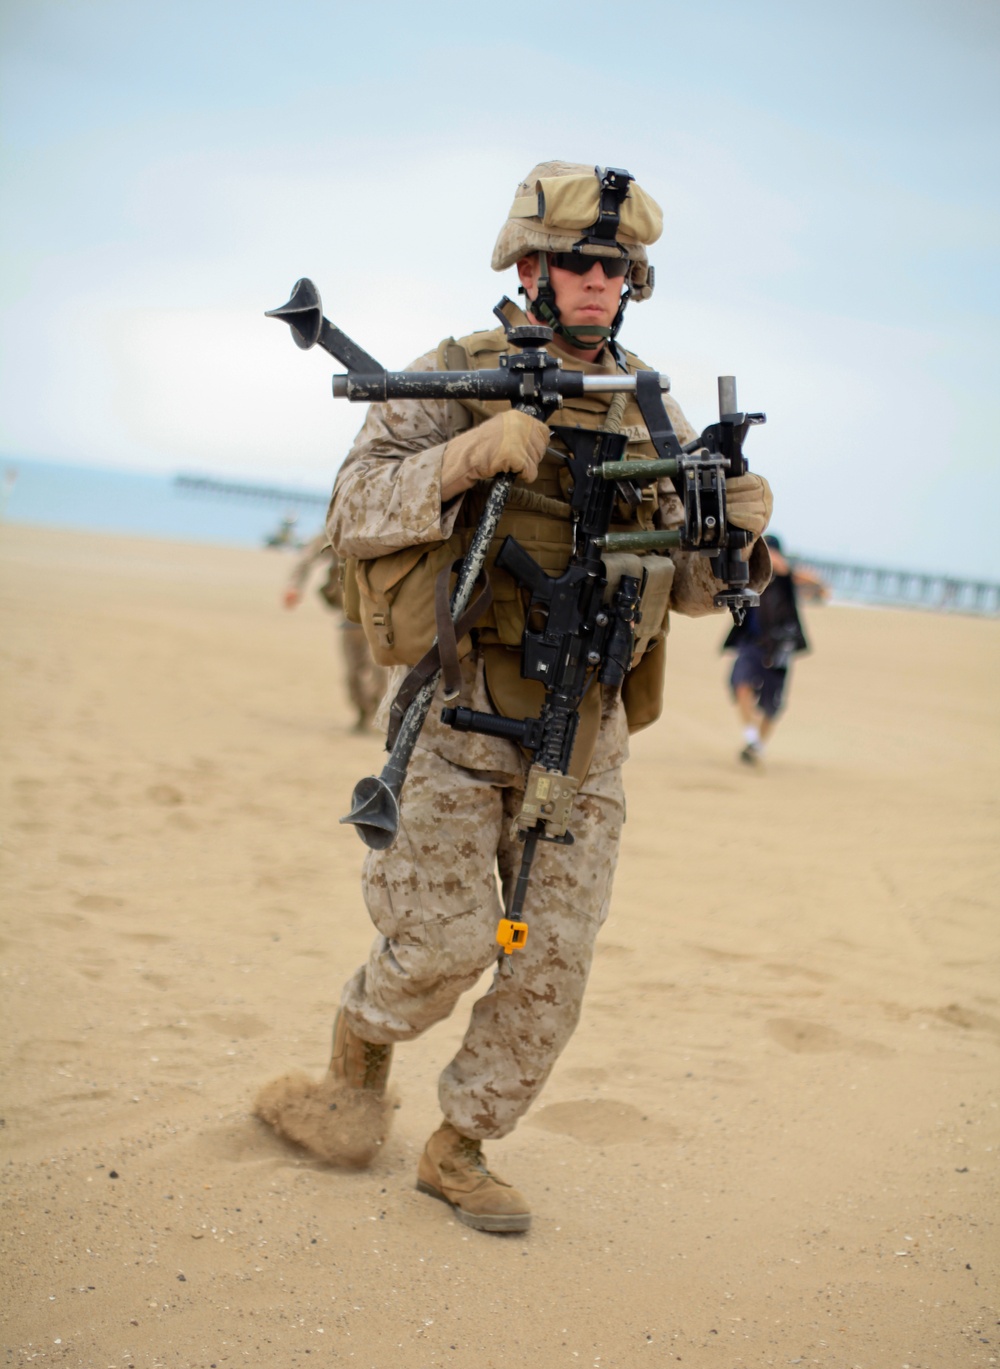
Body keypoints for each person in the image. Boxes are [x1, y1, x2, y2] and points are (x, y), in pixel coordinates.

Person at [256, 161, 773, 1233]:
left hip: (586, 738)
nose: (598, 281)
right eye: (578, 262)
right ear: (530, 268)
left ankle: (460, 1146)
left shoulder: (650, 406)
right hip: (456, 716)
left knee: (550, 972)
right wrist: (464, 456)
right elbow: (353, 513)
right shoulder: (452, 372)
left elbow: (686, 589)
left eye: (615, 267)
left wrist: (738, 538)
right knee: (440, 950)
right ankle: (354, 1071)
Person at [723, 534, 828, 765]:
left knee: (772, 704)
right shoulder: (749, 574)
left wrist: (786, 570)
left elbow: (818, 587)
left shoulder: (786, 579)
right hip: (750, 642)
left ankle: (757, 746)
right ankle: (751, 738)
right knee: (740, 683)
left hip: (780, 646)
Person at [283, 531, 387, 732]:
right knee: (353, 673)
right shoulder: (338, 529)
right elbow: (308, 558)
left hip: (382, 613)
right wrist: (294, 586)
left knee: (380, 671)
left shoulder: (386, 528)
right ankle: (363, 713)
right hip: (350, 614)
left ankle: (376, 714)